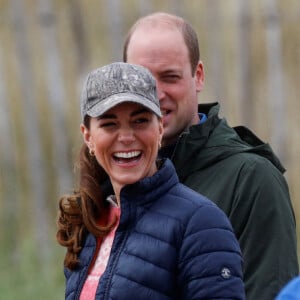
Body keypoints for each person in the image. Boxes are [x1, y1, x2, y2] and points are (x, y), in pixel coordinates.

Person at [123, 12, 299, 300]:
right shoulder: (114, 180)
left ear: (198, 76)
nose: (155, 94)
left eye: (170, 77)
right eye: (141, 79)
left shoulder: (251, 180)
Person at [56, 62, 245, 299]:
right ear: (88, 136)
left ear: (160, 128)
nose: (126, 137)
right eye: (109, 124)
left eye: (140, 121)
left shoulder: (201, 224)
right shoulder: (89, 224)